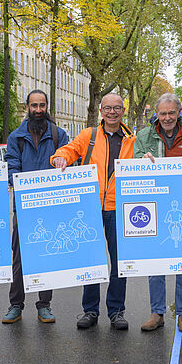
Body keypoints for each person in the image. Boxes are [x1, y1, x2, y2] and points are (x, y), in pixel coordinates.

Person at [52, 93, 135, 330]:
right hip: (90, 207)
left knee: (120, 263)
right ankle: (90, 310)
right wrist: (60, 158)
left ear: (122, 111)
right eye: (107, 108)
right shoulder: (89, 136)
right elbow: (68, 150)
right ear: (100, 111)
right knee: (92, 261)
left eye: (116, 108)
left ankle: (116, 311)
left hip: (119, 209)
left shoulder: (133, 140)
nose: (112, 112)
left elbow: (142, 165)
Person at [133, 93, 182, 334]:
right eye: (162, 113)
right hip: (154, 207)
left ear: (179, 112)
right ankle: (157, 312)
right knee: (156, 261)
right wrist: (140, 160)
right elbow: (133, 165)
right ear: (157, 114)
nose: (167, 118)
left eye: (171, 113)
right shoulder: (144, 136)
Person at [2, 90, 70, 326]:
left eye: (42, 105)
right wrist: (22, 183)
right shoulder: (16, 137)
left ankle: (44, 305)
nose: (38, 110)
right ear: (27, 107)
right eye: (34, 105)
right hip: (24, 206)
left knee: (46, 255)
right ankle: (15, 304)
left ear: (47, 106)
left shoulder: (59, 135)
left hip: (51, 206)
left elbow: (69, 162)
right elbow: (11, 167)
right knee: (19, 256)